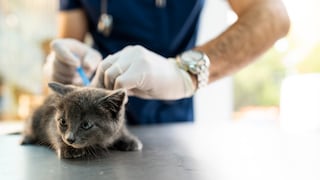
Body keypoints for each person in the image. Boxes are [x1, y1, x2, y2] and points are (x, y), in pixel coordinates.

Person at [45, 0, 290, 125]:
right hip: (97, 127)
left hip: (172, 124)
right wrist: (65, 67)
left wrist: (184, 72)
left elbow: (272, 16)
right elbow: (69, 41)